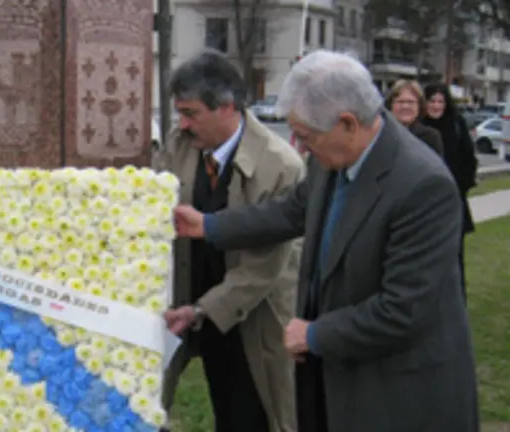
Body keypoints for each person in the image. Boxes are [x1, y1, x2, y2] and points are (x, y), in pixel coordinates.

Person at [172, 50, 479, 432]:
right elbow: (288, 213)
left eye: (305, 137)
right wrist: (208, 226)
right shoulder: (334, 158)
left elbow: (403, 309)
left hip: (398, 393)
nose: (300, 148)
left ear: (347, 123)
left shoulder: (423, 186)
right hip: (338, 374)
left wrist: (316, 334)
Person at [154, 50, 304, 432]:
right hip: (186, 305)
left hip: (250, 316)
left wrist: (203, 310)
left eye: (191, 113)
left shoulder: (281, 166)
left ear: (226, 107)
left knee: (246, 416)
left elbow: (264, 268)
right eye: (180, 113)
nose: (183, 125)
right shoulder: (179, 144)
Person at [421, 83, 478, 299]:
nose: (436, 106)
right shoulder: (418, 127)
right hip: (423, 203)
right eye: (432, 101)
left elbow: (469, 160)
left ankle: (456, 303)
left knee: (454, 258)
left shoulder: (456, 124)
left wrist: (457, 188)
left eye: (441, 101)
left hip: (452, 200)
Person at [385, 80, 444, 156]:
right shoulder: (381, 135)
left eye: (411, 102)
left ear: (419, 106)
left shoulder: (431, 137)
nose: (405, 106)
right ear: (391, 106)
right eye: (400, 101)